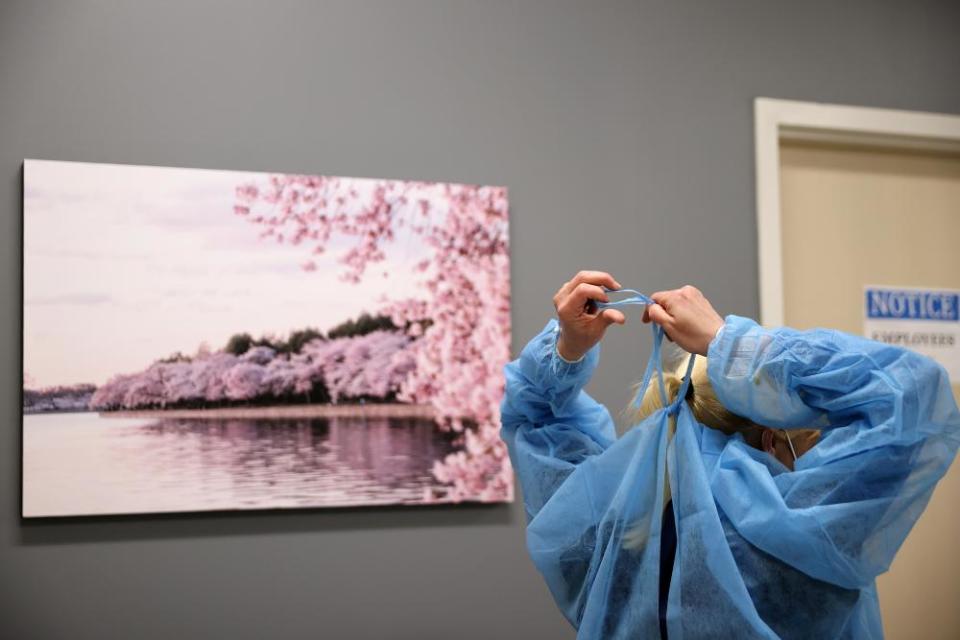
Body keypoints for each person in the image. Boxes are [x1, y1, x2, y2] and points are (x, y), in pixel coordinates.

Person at [499, 270, 960, 639]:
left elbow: (536, 419)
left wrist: (567, 349)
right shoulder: (803, 541)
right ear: (768, 441)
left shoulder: (609, 547)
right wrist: (729, 343)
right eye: (804, 442)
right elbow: (915, 397)